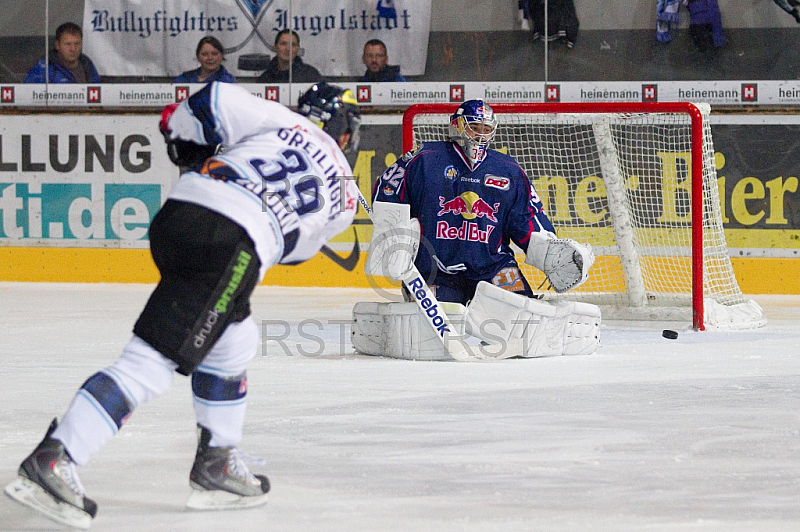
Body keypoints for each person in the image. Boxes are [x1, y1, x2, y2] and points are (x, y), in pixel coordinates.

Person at [4, 81, 361, 528]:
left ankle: (218, 463)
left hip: (180, 213)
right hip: (234, 242)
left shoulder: (280, 121)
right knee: (150, 361)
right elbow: (295, 253)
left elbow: (210, 101)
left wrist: (181, 135)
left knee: (235, 338)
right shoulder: (346, 198)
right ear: (345, 134)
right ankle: (56, 459)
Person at [357, 99, 598, 360]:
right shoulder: (423, 159)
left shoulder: (509, 170)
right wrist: (396, 230)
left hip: (493, 266)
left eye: (486, 128)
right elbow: (386, 189)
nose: (480, 134)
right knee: (430, 337)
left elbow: (527, 219)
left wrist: (547, 249)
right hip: (438, 269)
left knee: (522, 324)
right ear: (456, 126)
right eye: (474, 127)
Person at [24, 22, 100, 83]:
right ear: (57, 45)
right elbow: (26, 95)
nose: (73, 49)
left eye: (77, 44)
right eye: (68, 44)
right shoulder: (44, 69)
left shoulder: (87, 65)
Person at [256, 29, 323, 83]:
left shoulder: (311, 75)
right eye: (283, 44)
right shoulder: (265, 78)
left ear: (298, 49)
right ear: (275, 47)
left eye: (293, 45)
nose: (288, 49)